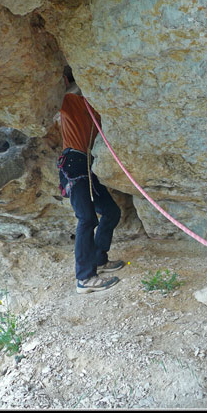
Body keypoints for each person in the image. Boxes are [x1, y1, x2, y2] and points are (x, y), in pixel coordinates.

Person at [57, 72, 124, 293]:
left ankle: (99, 259)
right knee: (86, 218)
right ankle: (84, 278)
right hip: (74, 164)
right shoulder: (69, 102)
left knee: (111, 212)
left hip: (89, 164)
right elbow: (57, 97)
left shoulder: (96, 110)